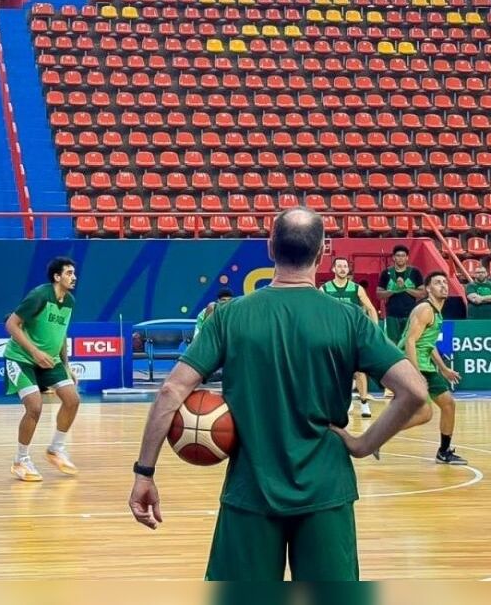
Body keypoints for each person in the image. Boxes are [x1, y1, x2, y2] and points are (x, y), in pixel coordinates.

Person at [127, 208, 428, 581]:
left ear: (270, 247)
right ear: (322, 253)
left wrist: (145, 473)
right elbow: (414, 391)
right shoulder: (349, 318)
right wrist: (363, 444)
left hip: (250, 491)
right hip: (327, 491)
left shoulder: (229, 316)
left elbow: (171, 390)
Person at [4, 257, 81, 482]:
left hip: (50, 360)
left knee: (72, 400)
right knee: (35, 407)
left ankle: (56, 448)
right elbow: (10, 324)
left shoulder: (69, 301)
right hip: (21, 358)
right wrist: (35, 352)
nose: (74, 277)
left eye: (74, 273)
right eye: (68, 273)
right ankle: (20, 459)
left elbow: (61, 333)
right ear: (57, 277)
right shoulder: (39, 295)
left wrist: (66, 366)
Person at [397, 271, 468, 465]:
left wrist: (444, 369)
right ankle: (379, 435)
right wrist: (416, 374)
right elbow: (410, 342)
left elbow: (428, 344)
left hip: (425, 365)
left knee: (448, 405)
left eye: (445, 282)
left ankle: (444, 452)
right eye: (437, 283)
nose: (443, 286)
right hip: (413, 365)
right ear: (428, 288)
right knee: (424, 413)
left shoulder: (436, 311)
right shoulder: (425, 310)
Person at [321, 257, 381, 418]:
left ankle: (364, 404)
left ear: (348, 270)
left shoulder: (357, 289)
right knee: (336, 371)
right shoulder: (324, 289)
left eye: (345, 266)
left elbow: (371, 309)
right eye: (339, 266)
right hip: (333, 336)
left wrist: (374, 329)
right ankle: (342, 402)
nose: (342, 269)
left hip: (354, 335)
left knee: (360, 370)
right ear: (333, 269)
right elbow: (318, 313)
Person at [377, 245, 424, 346]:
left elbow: (422, 293)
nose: (400, 258)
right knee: (392, 343)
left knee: (410, 342)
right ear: (393, 258)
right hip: (392, 315)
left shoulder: (415, 272)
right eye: (398, 255)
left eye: (403, 255)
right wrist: (394, 290)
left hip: (411, 314)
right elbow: (379, 294)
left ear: (407, 258)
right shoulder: (386, 273)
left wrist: (405, 288)